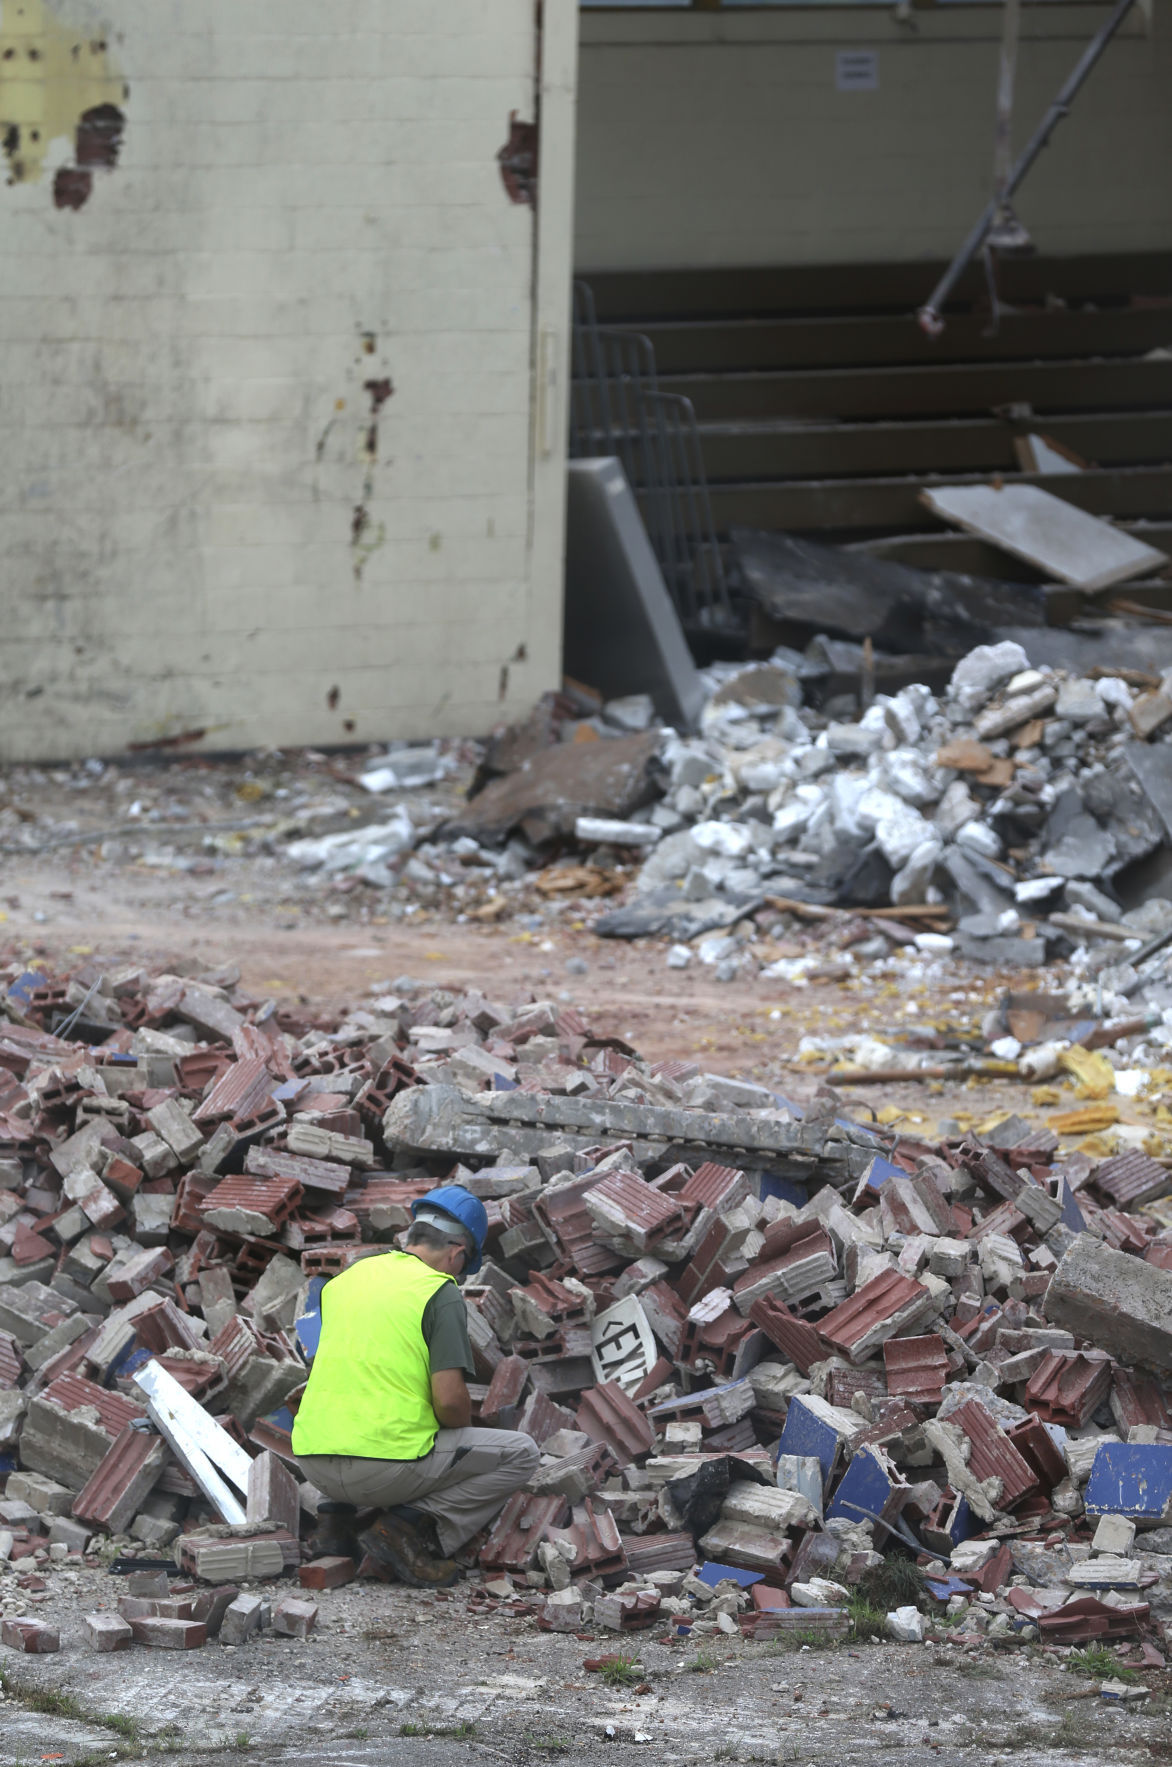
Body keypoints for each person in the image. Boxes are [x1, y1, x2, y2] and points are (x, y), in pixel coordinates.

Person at [292, 1184, 539, 1586]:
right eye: (462, 1267)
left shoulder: (348, 1280)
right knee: (521, 1454)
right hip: (381, 1474)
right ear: (457, 1253)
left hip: (313, 1462)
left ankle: (334, 1528)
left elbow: (327, 1367)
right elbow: (450, 1405)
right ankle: (406, 1531)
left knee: (355, 1413)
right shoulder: (438, 1291)